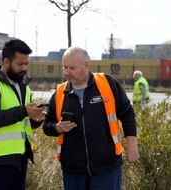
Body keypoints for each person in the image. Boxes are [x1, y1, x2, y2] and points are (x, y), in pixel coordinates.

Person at [43, 46, 139, 190]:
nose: (67, 73)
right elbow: (47, 125)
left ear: (86, 65)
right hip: (72, 171)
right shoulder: (60, 93)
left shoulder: (107, 83)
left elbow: (127, 113)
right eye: (65, 67)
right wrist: (57, 127)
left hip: (107, 168)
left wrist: (132, 145)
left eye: (72, 68)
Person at [0, 39, 47, 190]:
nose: (24, 68)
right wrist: (24, 111)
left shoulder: (24, 86)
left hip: (19, 157)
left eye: (26, 64)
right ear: (6, 61)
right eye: (20, 64)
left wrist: (36, 119)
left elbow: (21, 121)